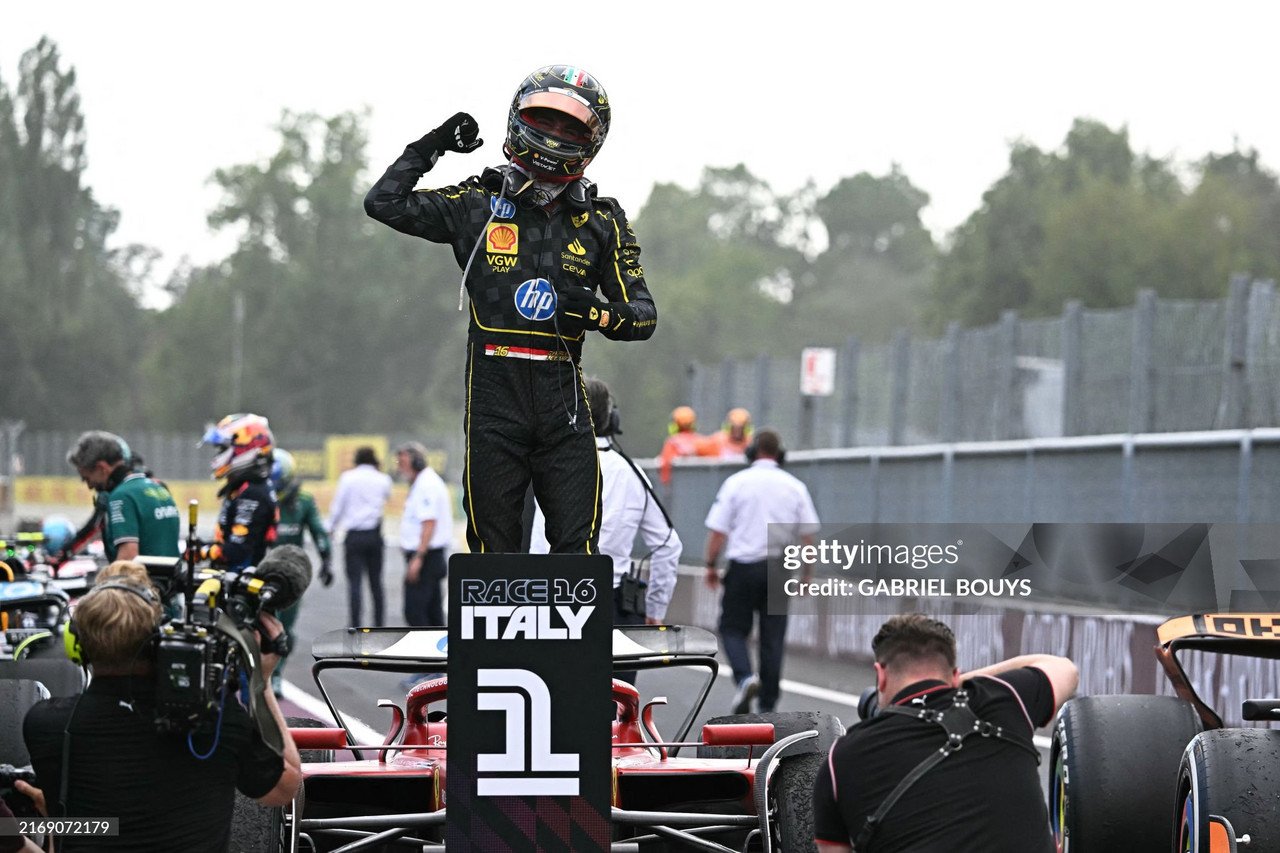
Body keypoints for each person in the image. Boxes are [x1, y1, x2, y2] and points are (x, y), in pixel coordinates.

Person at [364, 65, 657, 555]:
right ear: (519, 118)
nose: (554, 134)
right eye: (545, 119)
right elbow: (384, 202)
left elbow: (644, 315)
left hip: (564, 401)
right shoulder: (477, 201)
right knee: (493, 552)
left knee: (577, 551)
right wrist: (433, 145)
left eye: (569, 126)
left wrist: (597, 313)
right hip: (493, 397)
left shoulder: (603, 220)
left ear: (592, 140)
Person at [18, 561, 301, 852]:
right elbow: (285, 787)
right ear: (156, 640)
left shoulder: (45, 725)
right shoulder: (215, 719)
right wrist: (261, 682)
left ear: (77, 643)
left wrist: (54, 822)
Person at [812, 614, 1079, 853]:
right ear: (954, 675)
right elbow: (1064, 668)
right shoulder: (1005, 697)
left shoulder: (841, 758)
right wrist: (960, 683)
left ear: (880, 675)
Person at [530, 378, 682, 653]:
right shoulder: (631, 474)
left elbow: (535, 546)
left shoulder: (546, 467)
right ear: (612, 419)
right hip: (611, 605)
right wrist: (654, 609)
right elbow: (668, 546)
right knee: (615, 682)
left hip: (549, 601)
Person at [703, 429, 818, 714]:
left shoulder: (736, 483)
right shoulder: (795, 486)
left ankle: (745, 678)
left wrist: (710, 565)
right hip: (779, 569)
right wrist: (806, 575)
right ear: (780, 455)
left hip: (743, 567)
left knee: (731, 628)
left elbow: (718, 531)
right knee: (773, 638)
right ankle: (768, 704)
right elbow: (808, 537)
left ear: (752, 452)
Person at [268, 448, 333, 697]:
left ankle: (276, 674)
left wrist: (326, 558)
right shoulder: (261, 497)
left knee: (285, 628)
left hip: (291, 573)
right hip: (261, 568)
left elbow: (318, 530)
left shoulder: (304, 501)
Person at [65, 431, 179, 562]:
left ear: (102, 468)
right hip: (171, 574)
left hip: (144, 575)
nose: (90, 486)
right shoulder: (157, 488)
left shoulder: (121, 497)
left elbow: (128, 558)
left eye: (87, 478)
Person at [201, 414, 279, 570]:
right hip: (232, 576)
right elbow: (229, 540)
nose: (218, 455)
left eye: (222, 449)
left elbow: (238, 550)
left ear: (246, 449)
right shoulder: (244, 487)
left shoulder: (253, 492)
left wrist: (203, 552)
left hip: (241, 579)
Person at [328, 446, 392, 627]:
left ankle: (355, 623)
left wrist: (331, 527)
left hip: (354, 536)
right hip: (374, 535)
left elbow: (338, 506)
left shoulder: (348, 478)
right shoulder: (383, 479)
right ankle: (379, 623)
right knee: (376, 583)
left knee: (355, 583)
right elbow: (387, 496)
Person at [394, 442, 453, 628]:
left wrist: (418, 557)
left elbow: (429, 523)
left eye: (403, 462)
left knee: (415, 612)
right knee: (433, 614)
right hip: (428, 556)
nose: (400, 468)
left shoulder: (426, 485)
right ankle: (438, 647)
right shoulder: (423, 483)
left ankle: (425, 648)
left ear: (416, 462)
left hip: (426, 557)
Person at [658, 406, 703, 485]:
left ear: (675, 425)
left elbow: (665, 465)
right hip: (700, 484)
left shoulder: (672, 443)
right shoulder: (701, 441)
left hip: (680, 486)